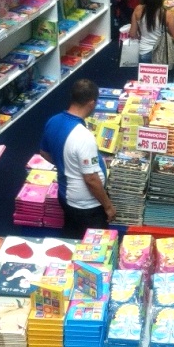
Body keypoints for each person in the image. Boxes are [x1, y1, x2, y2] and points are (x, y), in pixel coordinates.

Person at [39, 78, 115, 238]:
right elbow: (91, 179)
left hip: (65, 196)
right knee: (94, 248)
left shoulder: (52, 121)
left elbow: (44, 153)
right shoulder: (83, 136)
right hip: (87, 205)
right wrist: (108, 206)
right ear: (92, 103)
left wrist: (65, 164)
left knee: (72, 238)